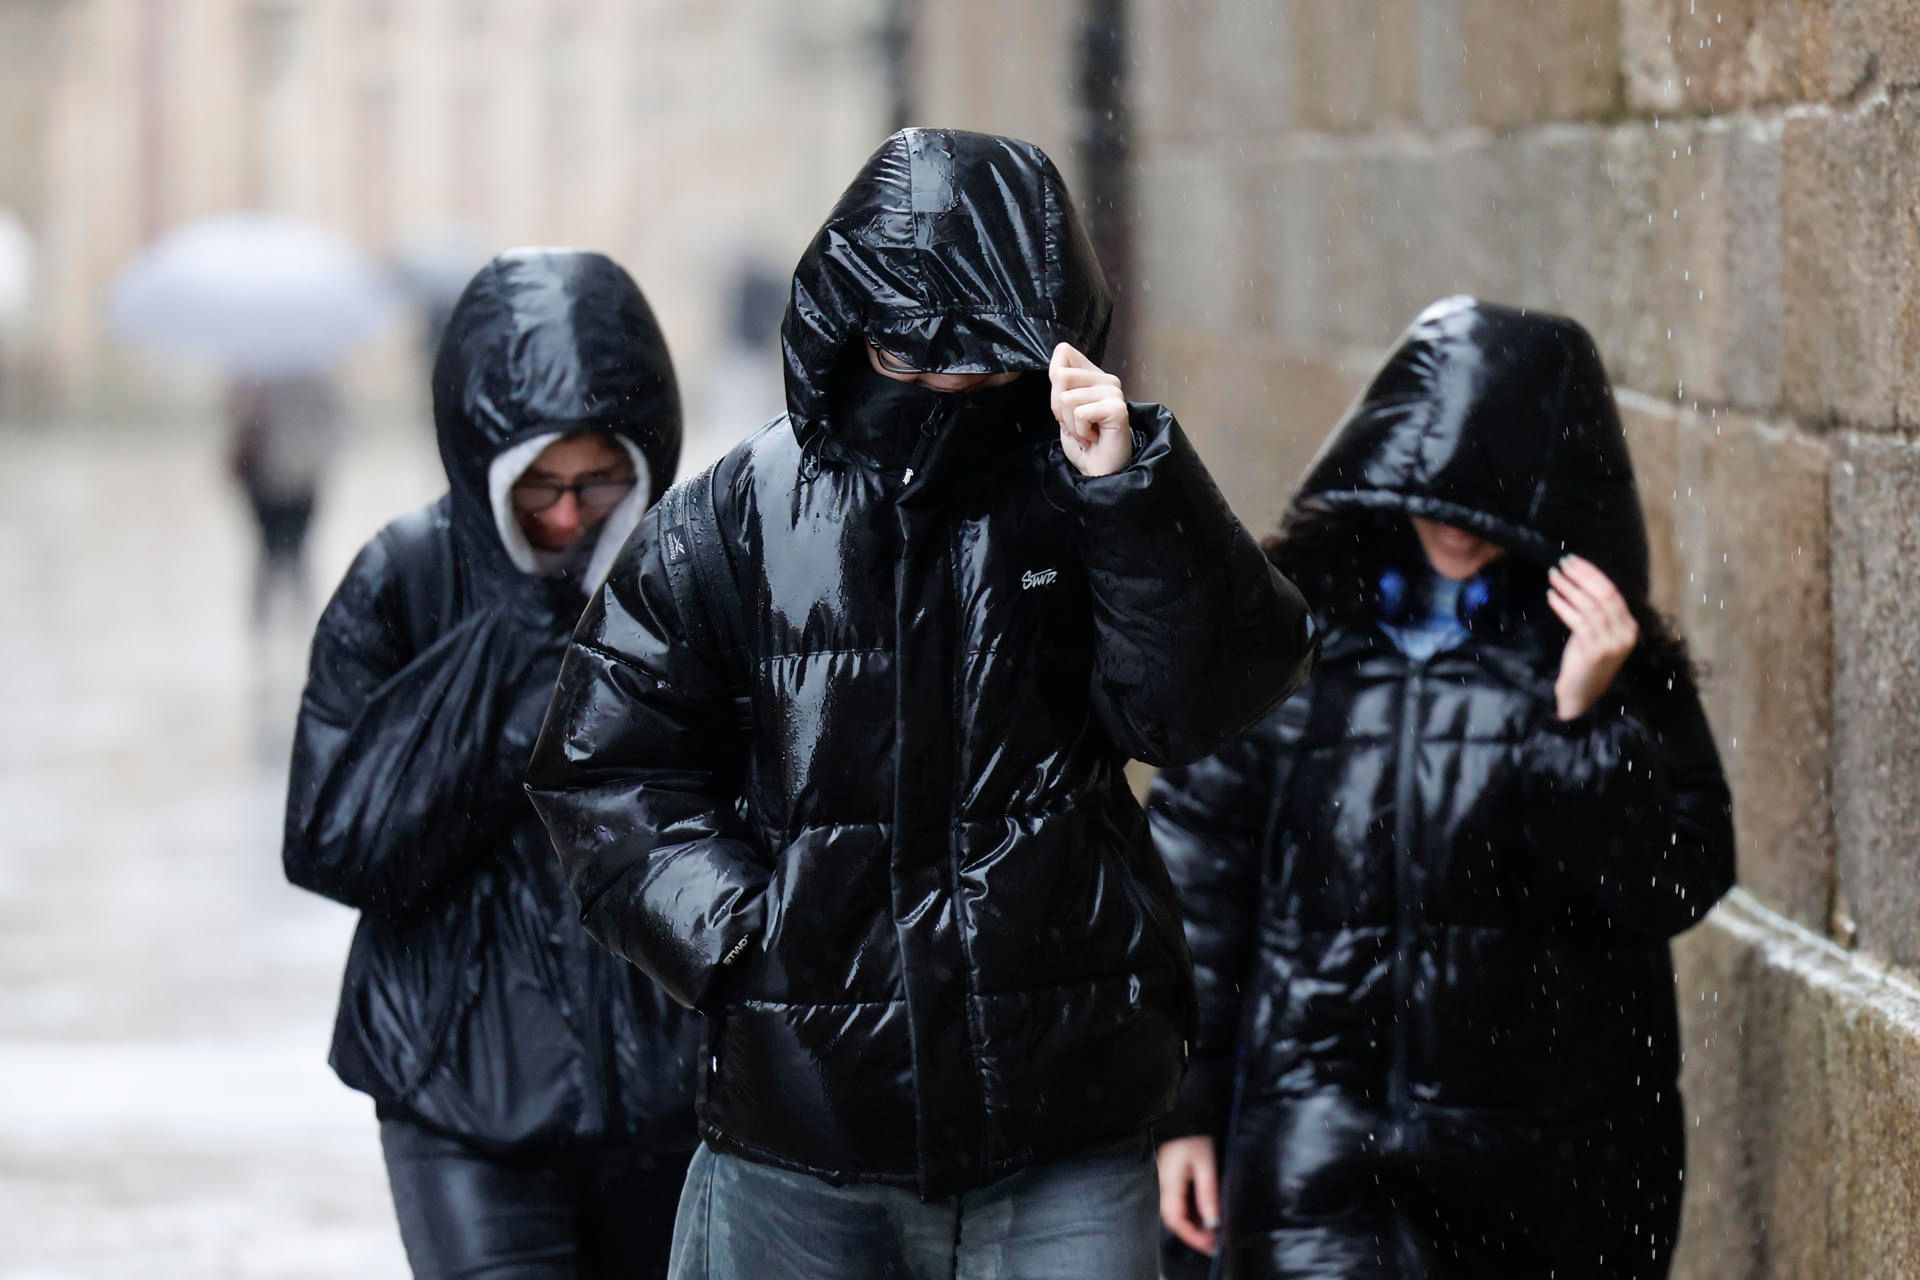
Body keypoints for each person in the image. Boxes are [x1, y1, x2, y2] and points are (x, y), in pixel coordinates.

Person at [524, 127, 1318, 1280]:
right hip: (801, 1130)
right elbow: (602, 764)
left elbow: (1203, 704)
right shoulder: (738, 512)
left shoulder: (1091, 487)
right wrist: (752, 936)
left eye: (979, 351)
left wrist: (1135, 494)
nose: (947, 379)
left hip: (1064, 1110)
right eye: (914, 350)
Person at [1151, 296, 1737, 1279]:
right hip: (1317, 1143)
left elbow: (1671, 881)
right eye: (1437, 494)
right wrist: (1183, 1110)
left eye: (1489, 502)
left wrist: (1581, 722)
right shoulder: (1296, 643)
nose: (1458, 531)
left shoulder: (1604, 663)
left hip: (1542, 1171)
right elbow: (1197, 881)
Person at [283, 249, 697, 1279]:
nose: (566, 514)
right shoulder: (405, 577)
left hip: (665, 1086)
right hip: (453, 1082)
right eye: (539, 485)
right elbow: (334, 840)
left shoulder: (690, 573)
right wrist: (517, 688)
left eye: (597, 480)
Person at [227, 372, 344, 629]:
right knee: (280, 555)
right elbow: (335, 428)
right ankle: (279, 625)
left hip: (288, 478)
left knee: (284, 555)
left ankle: (284, 624)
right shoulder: (311, 375)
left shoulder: (256, 371)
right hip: (279, 477)